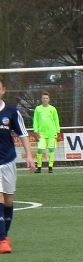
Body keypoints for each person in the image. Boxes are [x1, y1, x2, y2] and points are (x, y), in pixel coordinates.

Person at [0, 79, 36, 253]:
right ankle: (2, 241)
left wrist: (29, 155)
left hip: (8, 161)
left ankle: (4, 235)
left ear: (3, 90)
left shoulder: (12, 112)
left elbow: (23, 134)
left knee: (8, 201)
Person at [32, 91, 62, 173]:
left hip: (52, 133)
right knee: (40, 150)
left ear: (49, 99)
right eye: (43, 98)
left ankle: (50, 167)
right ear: (41, 99)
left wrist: (58, 131)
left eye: (46, 98)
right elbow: (35, 121)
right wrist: (36, 131)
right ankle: (39, 167)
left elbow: (56, 120)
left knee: (51, 150)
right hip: (41, 134)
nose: (45, 99)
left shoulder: (53, 109)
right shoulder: (38, 109)